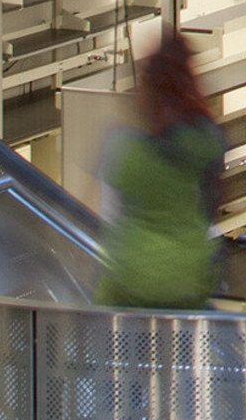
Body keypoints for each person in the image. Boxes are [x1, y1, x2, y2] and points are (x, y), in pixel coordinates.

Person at [95, 28, 224, 310]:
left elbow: (112, 213)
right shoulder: (205, 140)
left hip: (132, 277)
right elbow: (210, 207)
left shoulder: (126, 149)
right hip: (189, 278)